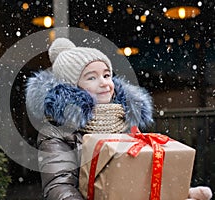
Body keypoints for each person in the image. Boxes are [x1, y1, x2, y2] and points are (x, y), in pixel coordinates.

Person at [25, 38, 212, 200]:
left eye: (107, 75)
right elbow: (59, 188)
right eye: (91, 78)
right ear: (72, 87)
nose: (104, 83)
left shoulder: (123, 120)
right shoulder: (56, 132)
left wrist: (173, 192)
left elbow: (137, 175)